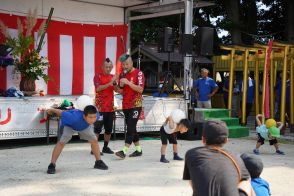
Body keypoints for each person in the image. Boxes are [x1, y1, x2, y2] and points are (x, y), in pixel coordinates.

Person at [183, 119, 254, 196]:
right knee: (246, 182)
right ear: (226, 140)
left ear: (203, 139)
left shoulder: (191, 154)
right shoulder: (236, 157)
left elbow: (193, 184)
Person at [46, 105, 108, 174]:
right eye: (90, 117)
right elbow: (60, 112)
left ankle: (98, 162)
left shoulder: (96, 115)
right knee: (61, 143)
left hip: (84, 126)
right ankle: (52, 164)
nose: (93, 119)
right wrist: (51, 109)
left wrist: (91, 118)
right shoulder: (72, 117)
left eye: (94, 117)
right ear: (84, 116)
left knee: (94, 140)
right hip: (69, 125)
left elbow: (93, 117)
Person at [114, 54, 145, 159]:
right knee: (132, 128)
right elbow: (120, 91)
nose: (125, 66)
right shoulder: (122, 74)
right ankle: (138, 150)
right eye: (123, 64)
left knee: (130, 127)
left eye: (127, 64)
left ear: (132, 63)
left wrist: (128, 83)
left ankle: (124, 151)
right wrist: (116, 84)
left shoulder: (139, 73)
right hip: (126, 105)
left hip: (136, 104)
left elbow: (140, 89)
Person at [93, 58, 117, 154]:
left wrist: (115, 83)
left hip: (110, 108)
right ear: (102, 67)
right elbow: (98, 88)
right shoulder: (97, 76)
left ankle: (105, 147)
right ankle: (94, 149)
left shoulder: (112, 77)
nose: (108, 69)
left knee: (108, 129)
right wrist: (110, 83)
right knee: (97, 129)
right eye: (106, 67)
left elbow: (116, 89)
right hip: (100, 108)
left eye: (110, 67)